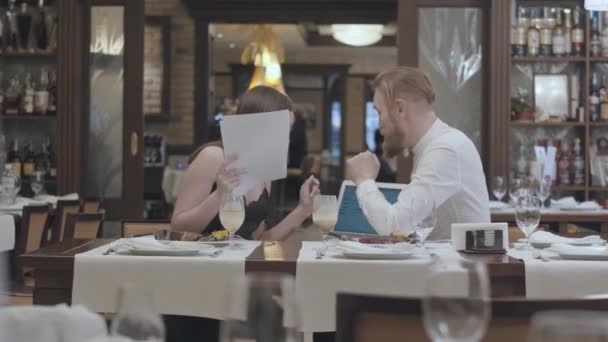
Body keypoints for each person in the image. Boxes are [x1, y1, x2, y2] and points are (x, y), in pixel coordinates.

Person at [346, 67, 490, 240]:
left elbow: (393, 226)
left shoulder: (445, 149)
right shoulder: (432, 146)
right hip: (447, 264)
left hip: (463, 266)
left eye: (379, 112)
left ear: (400, 108)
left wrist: (364, 180)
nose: (379, 125)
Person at [171, 85, 320, 241]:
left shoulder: (264, 168)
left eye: (288, 130)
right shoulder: (212, 157)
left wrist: (303, 210)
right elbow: (178, 227)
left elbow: (259, 240)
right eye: (281, 129)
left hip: (240, 263)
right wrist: (219, 195)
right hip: (202, 262)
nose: (286, 139)